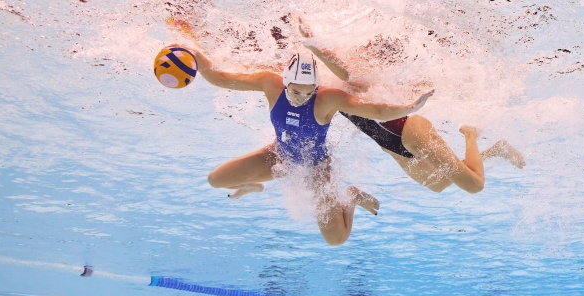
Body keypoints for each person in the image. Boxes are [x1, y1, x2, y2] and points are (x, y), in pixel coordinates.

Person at [184, 45, 433, 246]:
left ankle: (351, 196)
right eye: (295, 92)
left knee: (336, 240)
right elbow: (220, 77)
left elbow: (372, 109)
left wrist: (408, 108)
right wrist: (194, 54)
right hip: (277, 156)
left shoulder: (327, 99)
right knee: (215, 179)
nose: (300, 99)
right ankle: (252, 186)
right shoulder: (269, 83)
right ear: (285, 82)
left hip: (316, 169)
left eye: (307, 93)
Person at [299, 20, 526, 194]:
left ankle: (470, 134)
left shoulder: (359, 75)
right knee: (438, 184)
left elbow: (345, 71)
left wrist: (315, 46)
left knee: (474, 184)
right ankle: (495, 150)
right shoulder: (326, 86)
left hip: (410, 131)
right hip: (390, 144)